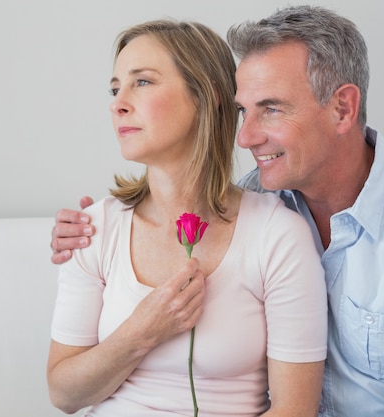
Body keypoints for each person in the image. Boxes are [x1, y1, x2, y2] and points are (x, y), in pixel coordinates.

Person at [50, 6, 384, 417]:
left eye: (271, 108)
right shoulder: (260, 201)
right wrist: (89, 234)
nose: (246, 138)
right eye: (244, 111)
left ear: (342, 109)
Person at [46, 19, 327, 417]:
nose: (118, 102)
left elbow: (294, 411)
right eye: (115, 88)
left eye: (142, 82)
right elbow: (64, 394)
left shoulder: (277, 235)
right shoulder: (92, 228)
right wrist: (142, 331)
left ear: (206, 95)